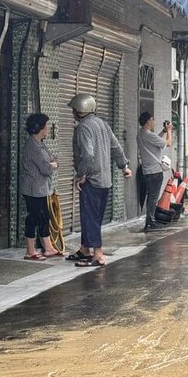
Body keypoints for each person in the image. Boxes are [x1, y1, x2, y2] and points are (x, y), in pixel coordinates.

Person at [66, 93, 132, 267]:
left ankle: (98, 255)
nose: (72, 112)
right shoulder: (102, 124)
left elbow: (87, 155)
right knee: (92, 217)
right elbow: (116, 146)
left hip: (92, 181)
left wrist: (81, 175)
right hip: (105, 181)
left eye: (74, 109)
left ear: (80, 111)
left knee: (90, 218)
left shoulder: (83, 128)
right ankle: (84, 249)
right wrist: (124, 166)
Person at [19, 113, 61, 261]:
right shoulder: (33, 146)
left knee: (44, 217)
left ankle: (48, 248)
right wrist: (52, 165)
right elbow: (47, 168)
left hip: (41, 188)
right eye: (46, 126)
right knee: (33, 217)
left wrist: (52, 163)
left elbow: (54, 159)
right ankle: (30, 251)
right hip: (33, 189)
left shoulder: (40, 144)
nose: (48, 129)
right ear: (39, 128)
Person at [137, 112, 173, 232]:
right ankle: (150, 222)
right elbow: (168, 143)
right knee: (153, 198)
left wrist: (163, 131)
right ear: (148, 121)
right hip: (155, 171)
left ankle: (149, 220)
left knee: (150, 196)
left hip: (147, 171)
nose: (153, 122)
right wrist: (169, 131)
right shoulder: (148, 134)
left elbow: (155, 141)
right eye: (152, 119)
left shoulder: (141, 134)